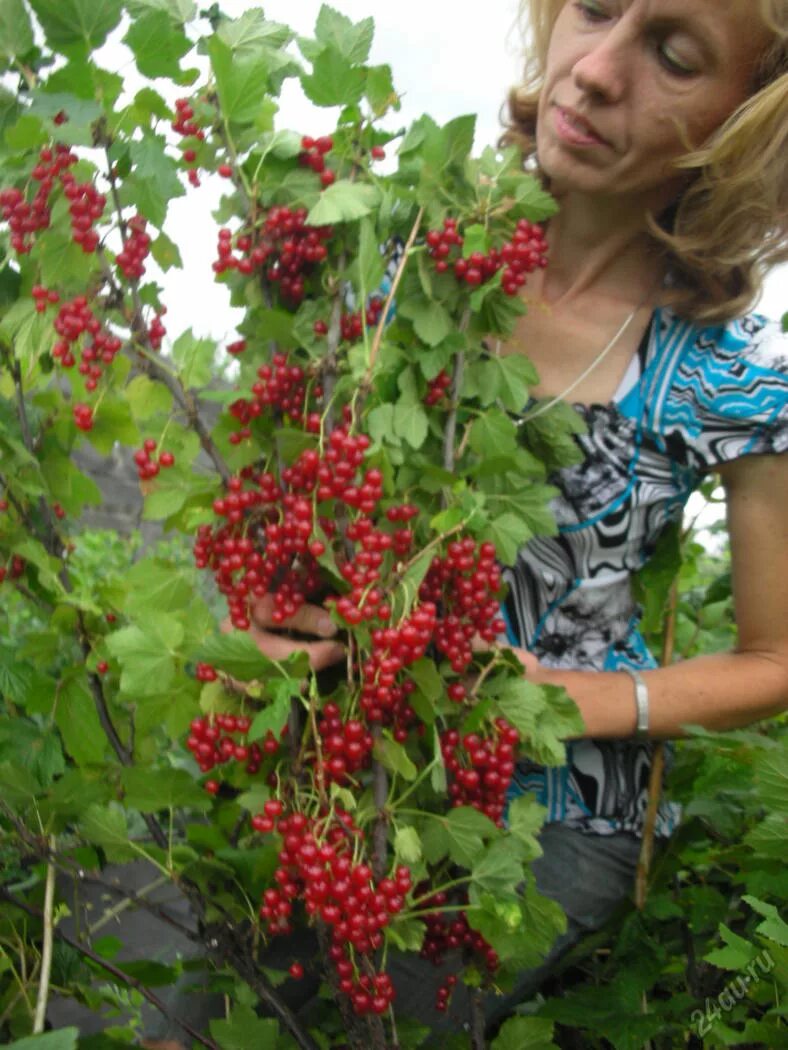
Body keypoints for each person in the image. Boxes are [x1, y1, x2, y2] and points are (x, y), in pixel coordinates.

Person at [244, 0, 788, 1033]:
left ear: (746, 122)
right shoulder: (401, 244)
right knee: (215, 998)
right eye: (590, 10)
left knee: (377, 1021)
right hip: (332, 762)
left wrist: (565, 699)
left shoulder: (727, 371)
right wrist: (279, 618)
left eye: (672, 55)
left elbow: (773, 658)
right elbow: (297, 492)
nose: (592, 71)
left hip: (543, 815)